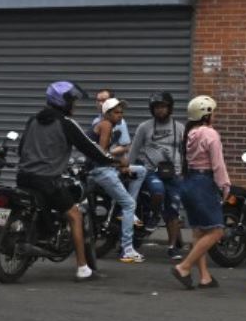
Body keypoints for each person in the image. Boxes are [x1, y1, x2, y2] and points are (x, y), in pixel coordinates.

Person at [15, 81, 101, 280]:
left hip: (23, 178)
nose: (75, 105)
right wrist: (113, 161)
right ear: (63, 102)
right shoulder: (66, 123)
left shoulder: (33, 120)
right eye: (73, 101)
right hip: (47, 181)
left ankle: (40, 234)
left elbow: (21, 149)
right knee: (75, 215)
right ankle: (82, 268)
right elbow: (90, 148)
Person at [170, 95, 229, 290]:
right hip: (203, 183)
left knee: (199, 230)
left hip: (188, 183)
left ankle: (205, 276)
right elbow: (217, 164)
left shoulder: (189, 132)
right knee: (217, 230)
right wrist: (224, 185)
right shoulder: (210, 134)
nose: (216, 115)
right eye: (214, 111)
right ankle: (184, 266)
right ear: (206, 114)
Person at [130, 92, 186, 259]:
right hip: (151, 171)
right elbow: (134, 150)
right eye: (156, 108)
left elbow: (186, 152)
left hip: (174, 174)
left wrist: (184, 171)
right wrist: (127, 167)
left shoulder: (180, 128)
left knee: (174, 210)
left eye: (163, 107)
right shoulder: (144, 127)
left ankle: (172, 247)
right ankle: (154, 216)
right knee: (158, 191)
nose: (160, 110)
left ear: (170, 108)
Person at [87, 97, 144, 263]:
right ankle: (127, 249)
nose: (121, 115)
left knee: (140, 171)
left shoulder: (108, 125)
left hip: (103, 168)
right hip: (101, 171)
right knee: (129, 204)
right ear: (107, 114)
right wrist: (120, 163)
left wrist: (119, 165)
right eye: (117, 112)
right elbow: (102, 154)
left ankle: (127, 211)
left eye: (122, 112)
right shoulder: (105, 125)